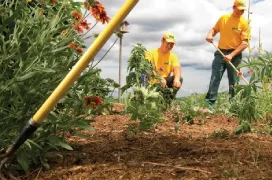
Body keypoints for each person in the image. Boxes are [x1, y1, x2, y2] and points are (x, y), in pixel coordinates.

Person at [205, 0, 249, 107]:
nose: (241, 12)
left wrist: (231, 55)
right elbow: (214, 30)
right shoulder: (223, 19)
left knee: (234, 81)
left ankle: (233, 107)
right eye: (239, 10)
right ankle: (209, 105)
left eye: (243, 10)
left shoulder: (244, 23)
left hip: (235, 55)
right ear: (233, 7)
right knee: (215, 77)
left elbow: (245, 43)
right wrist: (210, 34)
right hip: (220, 52)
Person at [145, 32, 183, 98]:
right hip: (151, 85)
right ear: (162, 41)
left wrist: (176, 79)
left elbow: (177, 68)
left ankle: (168, 102)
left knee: (179, 79)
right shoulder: (150, 53)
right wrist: (159, 78)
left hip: (165, 84)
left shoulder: (173, 56)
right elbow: (148, 68)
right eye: (168, 43)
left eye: (172, 44)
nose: (169, 46)